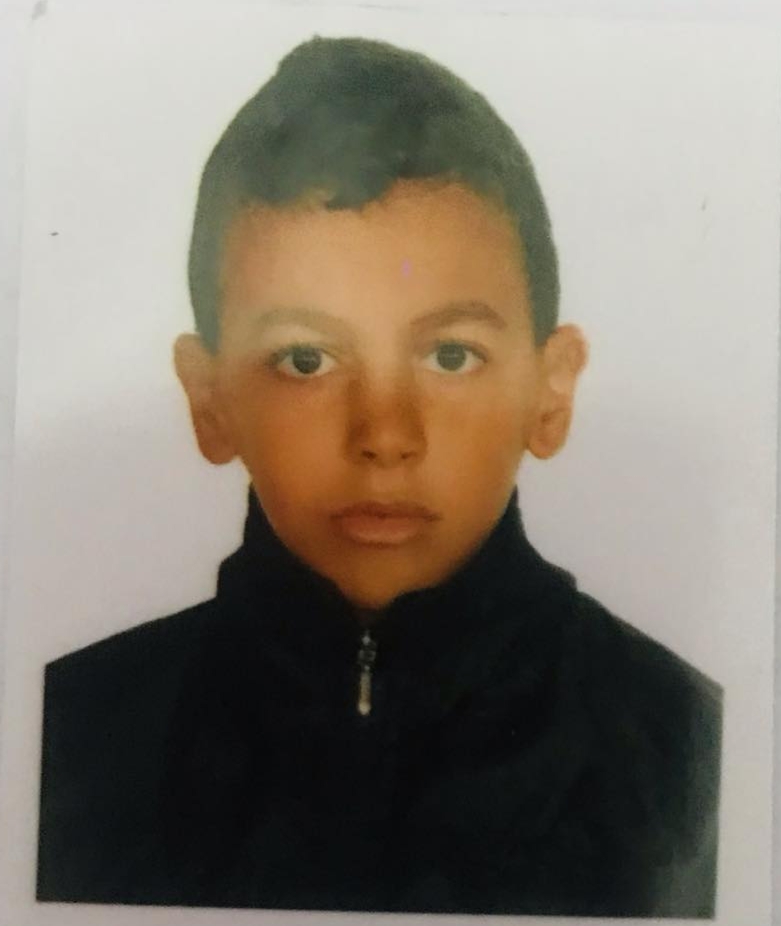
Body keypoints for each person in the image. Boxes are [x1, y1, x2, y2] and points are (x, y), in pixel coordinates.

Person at [36, 35, 722, 917]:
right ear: (209, 401)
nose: (385, 436)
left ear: (549, 393)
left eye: (449, 355)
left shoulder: (690, 750)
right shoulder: (66, 736)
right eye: (305, 359)